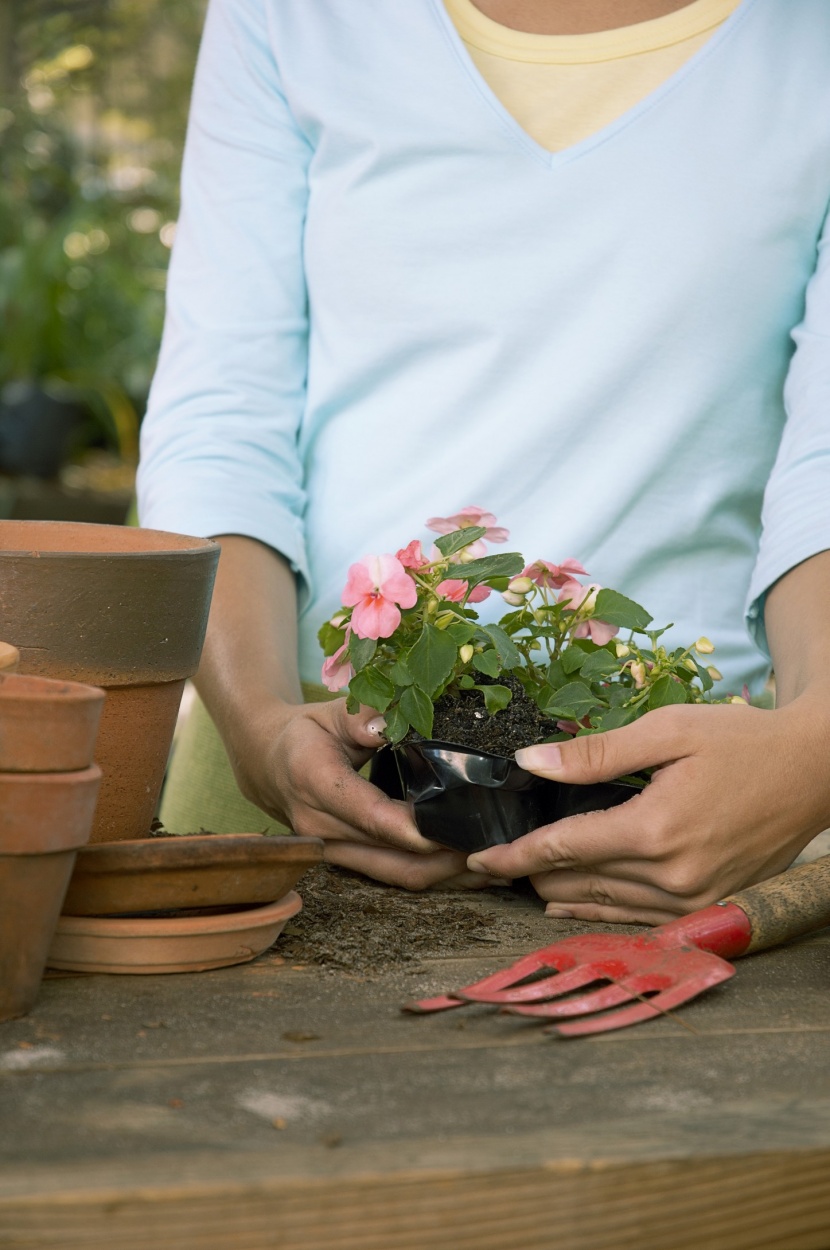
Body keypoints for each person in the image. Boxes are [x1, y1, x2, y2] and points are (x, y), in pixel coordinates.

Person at [137, 0, 830, 924]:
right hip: (311, 789)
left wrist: (811, 755)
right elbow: (223, 415)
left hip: (699, 816)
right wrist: (261, 730)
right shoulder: (290, 16)